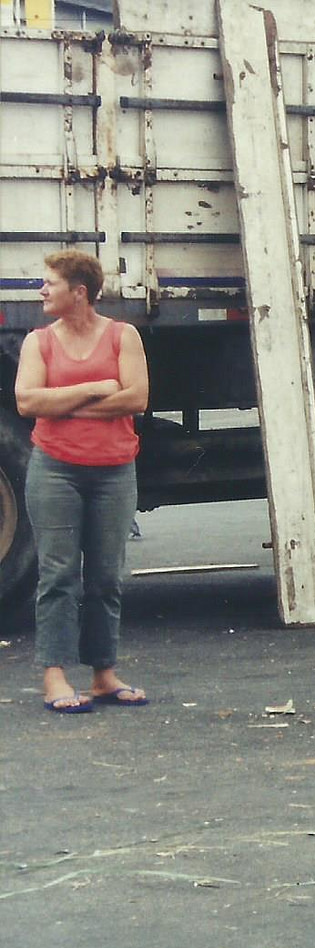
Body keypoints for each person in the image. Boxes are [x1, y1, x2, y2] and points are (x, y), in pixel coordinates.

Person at [14, 250, 150, 712]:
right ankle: (55, 677)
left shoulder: (122, 336)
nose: (42, 291)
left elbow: (136, 397)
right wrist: (95, 389)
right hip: (55, 469)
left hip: (114, 471)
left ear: (80, 292)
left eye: (49, 283)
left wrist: (64, 405)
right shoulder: (39, 342)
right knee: (58, 575)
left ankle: (102, 674)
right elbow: (28, 402)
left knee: (106, 576)